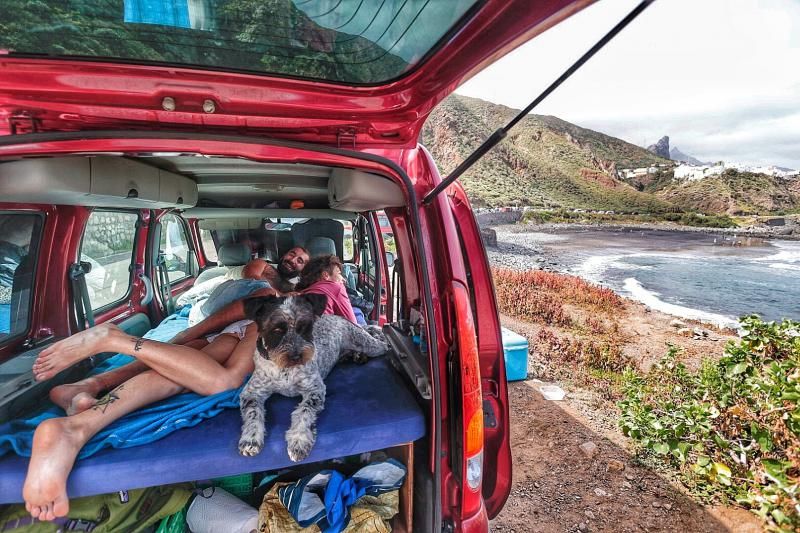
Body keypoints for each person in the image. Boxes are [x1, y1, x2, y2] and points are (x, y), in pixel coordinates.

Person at [24, 308, 264, 522]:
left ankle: (76, 423)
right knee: (227, 382)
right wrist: (185, 335)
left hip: (241, 333)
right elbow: (245, 306)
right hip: (259, 325)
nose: (296, 260)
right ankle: (115, 339)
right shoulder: (275, 291)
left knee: (184, 376)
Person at [296, 255, 358, 324]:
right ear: (325, 275)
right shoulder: (335, 287)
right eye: (339, 273)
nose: (343, 280)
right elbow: (353, 325)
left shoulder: (301, 293)